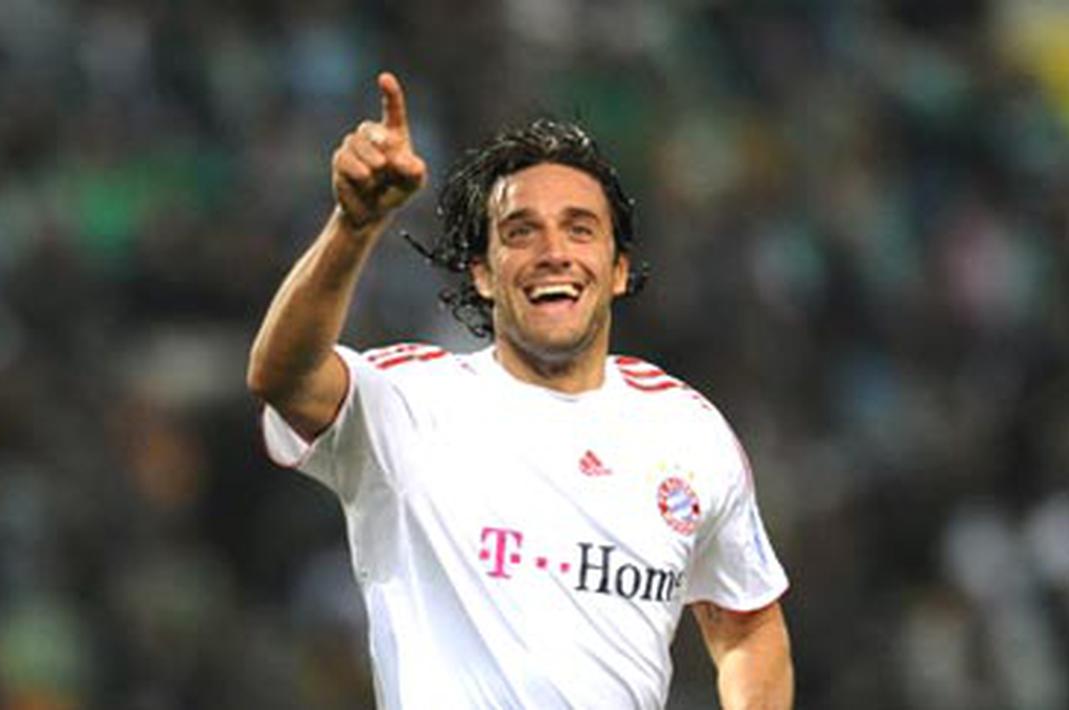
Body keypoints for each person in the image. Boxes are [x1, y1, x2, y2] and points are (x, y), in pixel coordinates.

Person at [247, 72, 793, 709]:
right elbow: (281, 377)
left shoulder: (688, 434)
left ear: (618, 271)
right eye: (521, 231)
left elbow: (748, 624)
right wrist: (353, 225)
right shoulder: (410, 402)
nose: (553, 252)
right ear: (482, 274)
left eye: (580, 228)